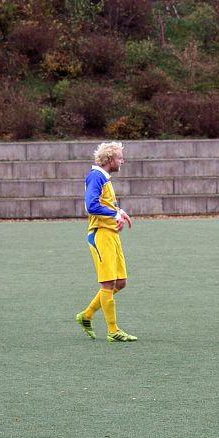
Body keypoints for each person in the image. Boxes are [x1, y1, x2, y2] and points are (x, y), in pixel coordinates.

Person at [75, 142, 137, 342]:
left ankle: (86, 315)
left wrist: (119, 212)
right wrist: (114, 214)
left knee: (121, 282)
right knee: (108, 283)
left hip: (111, 234)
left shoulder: (104, 178)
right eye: (120, 158)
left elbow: (106, 203)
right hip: (100, 235)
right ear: (110, 160)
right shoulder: (96, 176)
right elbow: (91, 206)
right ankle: (113, 330)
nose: (122, 161)